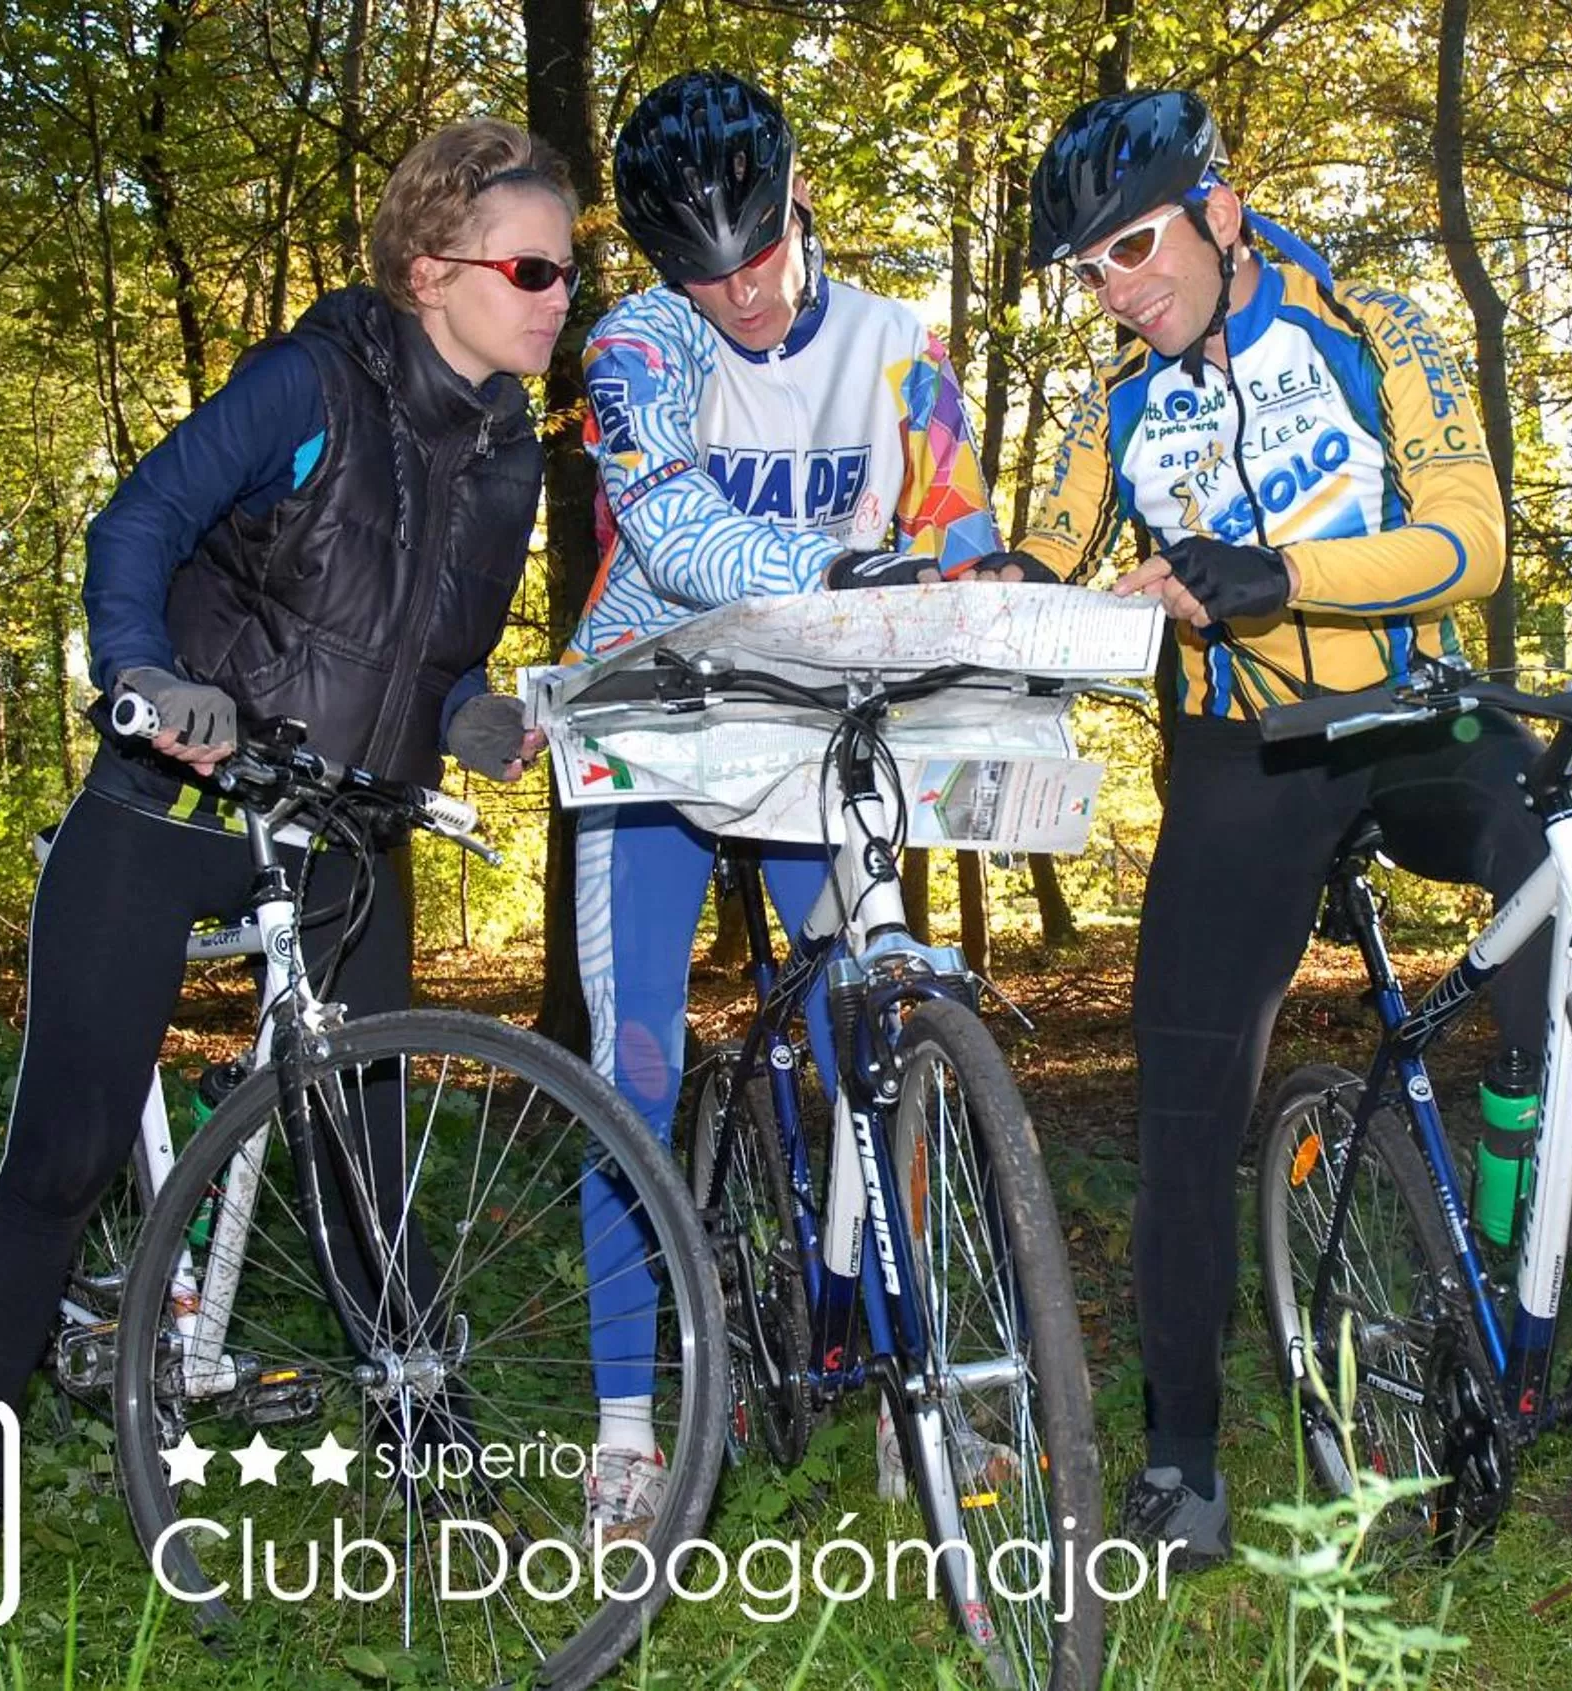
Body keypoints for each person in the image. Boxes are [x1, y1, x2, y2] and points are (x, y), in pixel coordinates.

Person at [0, 118, 575, 1549]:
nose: (557, 297)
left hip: (341, 839)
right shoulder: (310, 383)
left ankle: (444, 1486)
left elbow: (435, 652)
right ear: (430, 270)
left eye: (568, 273)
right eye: (530, 269)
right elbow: (136, 524)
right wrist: (146, 673)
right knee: (67, 1154)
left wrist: (468, 713)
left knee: (369, 1164)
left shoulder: (508, 458)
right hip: (173, 807)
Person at [1006, 89, 1554, 1570]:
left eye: (1136, 246)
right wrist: (981, 587)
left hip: (1415, 714)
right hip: (1245, 752)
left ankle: (1521, 1235)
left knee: (1561, 877)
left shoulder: (1369, 323)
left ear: (1221, 211)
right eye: (1093, 271)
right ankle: (1181, 1458)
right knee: (1183, 1104)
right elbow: (1043, 553)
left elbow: (1474, 541)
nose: (1119, 289)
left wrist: (1281, 575)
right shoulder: (1115, 404)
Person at [564, 68, 1005, 1540]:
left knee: (871, 1032)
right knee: (631, 1064)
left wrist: (981, 578)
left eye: (757, 252)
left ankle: (906, 1386)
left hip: (821, 730)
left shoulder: (896, 347)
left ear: (800, 198)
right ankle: (628, 1429)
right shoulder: (639, 342)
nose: (741, 293)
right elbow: (671, 528)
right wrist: (832, 570)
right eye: (704, 272)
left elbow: (955, 523)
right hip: (657, 725)